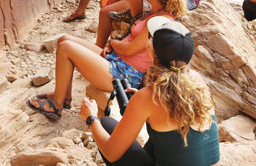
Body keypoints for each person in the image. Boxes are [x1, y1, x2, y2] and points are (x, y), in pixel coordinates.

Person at [27, 0, 188, 119]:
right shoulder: (156, 12)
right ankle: (64, 96)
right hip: (116, 60)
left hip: (123, 74)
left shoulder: (158, 21)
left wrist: (113, 43)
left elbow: (131, 49)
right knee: (64, 39)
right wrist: (114, 46)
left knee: (65, 48)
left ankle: (56, 105)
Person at [80, 18, 219, 166]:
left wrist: (91, 118)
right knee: (164, 139)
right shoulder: (198, 81)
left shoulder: (147, 97)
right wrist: (144, 107)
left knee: (105, 123)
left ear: (151, 52)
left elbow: (111, 153)